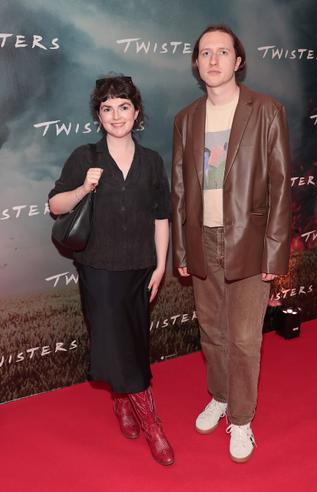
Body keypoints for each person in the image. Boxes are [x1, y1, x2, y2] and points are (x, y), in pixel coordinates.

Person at [171, 25, 291, 463]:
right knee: (213, 333)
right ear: (196, 63)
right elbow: (180, 189)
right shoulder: (185, 119)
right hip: (203, 240)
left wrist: (276, 251)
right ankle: (219, 397)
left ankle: (241, 420)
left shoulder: (266, 110)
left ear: (238, 61)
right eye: (205, 53)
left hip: (250, 242)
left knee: (244, 338)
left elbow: (280, 186)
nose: (214, 60)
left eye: (223, 52)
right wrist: (182, 251)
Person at [49, 75, 174, 466]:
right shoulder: (85, 156)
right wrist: (84, 188)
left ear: (136, 113)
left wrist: (161, 265)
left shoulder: (152, 160)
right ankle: (151, 423)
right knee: (118, 343)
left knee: (133, 342)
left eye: (123, 107)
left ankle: (121, 401)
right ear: (98, 115)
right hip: (99, 269)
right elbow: (55, 206)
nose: (115, 115)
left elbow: (162, 218)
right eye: (107, 108)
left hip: (139, 267)